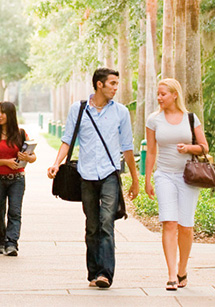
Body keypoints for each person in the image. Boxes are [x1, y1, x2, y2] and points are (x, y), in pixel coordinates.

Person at [47, 68, 140, 289]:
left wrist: (135, 179)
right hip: (85, 175)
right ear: (99, 84)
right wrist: (55, 163)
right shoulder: (78, 109)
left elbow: (127, 148)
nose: (116, 88)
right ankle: (93, 272)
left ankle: (105, 274)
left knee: (106, 222)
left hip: (109, 174)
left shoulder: (121, 112)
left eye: (117, 84)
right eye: (113, 84)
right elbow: (67, 140)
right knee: (92, 225)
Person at [143, 79, 207, 291]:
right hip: (165, 176)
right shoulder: (154, 120)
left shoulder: (190, 118)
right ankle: (171, 275)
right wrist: (147, 178)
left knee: (185, 226)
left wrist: (189, 148)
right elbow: (151, 151)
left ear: (174, 95)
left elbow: (204, 147)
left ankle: (182, 269)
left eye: (163, 94)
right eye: (158, 94)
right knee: (169, 222)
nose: (159, 98)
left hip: (188, 177)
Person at [0, 101, 35, 257]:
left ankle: (11, 244)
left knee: (14, 212)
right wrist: (5, 162)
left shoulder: (21, 133)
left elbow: (33, 157)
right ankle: (0, 242)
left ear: (10, 114)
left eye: (2, 112)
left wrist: (27, 157)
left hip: (17, 179)